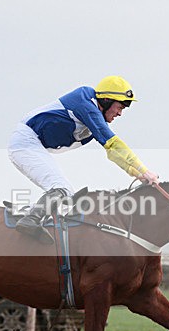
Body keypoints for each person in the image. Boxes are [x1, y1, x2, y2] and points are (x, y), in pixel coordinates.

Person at [8, 75, 159, 243]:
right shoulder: (86, 105)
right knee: (61, 188)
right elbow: (114, 144)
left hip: (31, 144)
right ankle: (30, 220)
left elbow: (112, 152)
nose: (120, 113)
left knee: (66, 194)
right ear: (107, 100)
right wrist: (144, 171)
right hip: (25, 143)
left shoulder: (94, 115)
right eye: (119, 107)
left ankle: (28, 213)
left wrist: (136, 173)